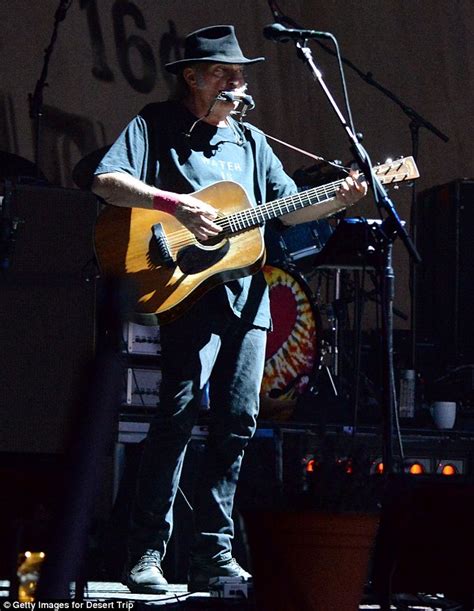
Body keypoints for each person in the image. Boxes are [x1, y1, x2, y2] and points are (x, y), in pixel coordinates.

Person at [92, 24, 366, 594]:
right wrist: (178, 206)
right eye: (223, 72)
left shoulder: (252, 142)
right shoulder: (155, 125)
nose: (237, 81)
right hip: (185, 291)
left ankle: (213, 554)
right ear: (191, 78)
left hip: (248, 297)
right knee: (176, 419)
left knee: (238, 425)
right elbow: (106, 181)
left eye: (240, 74)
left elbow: (286, 212)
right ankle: (145, 555)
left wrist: (336, 200)